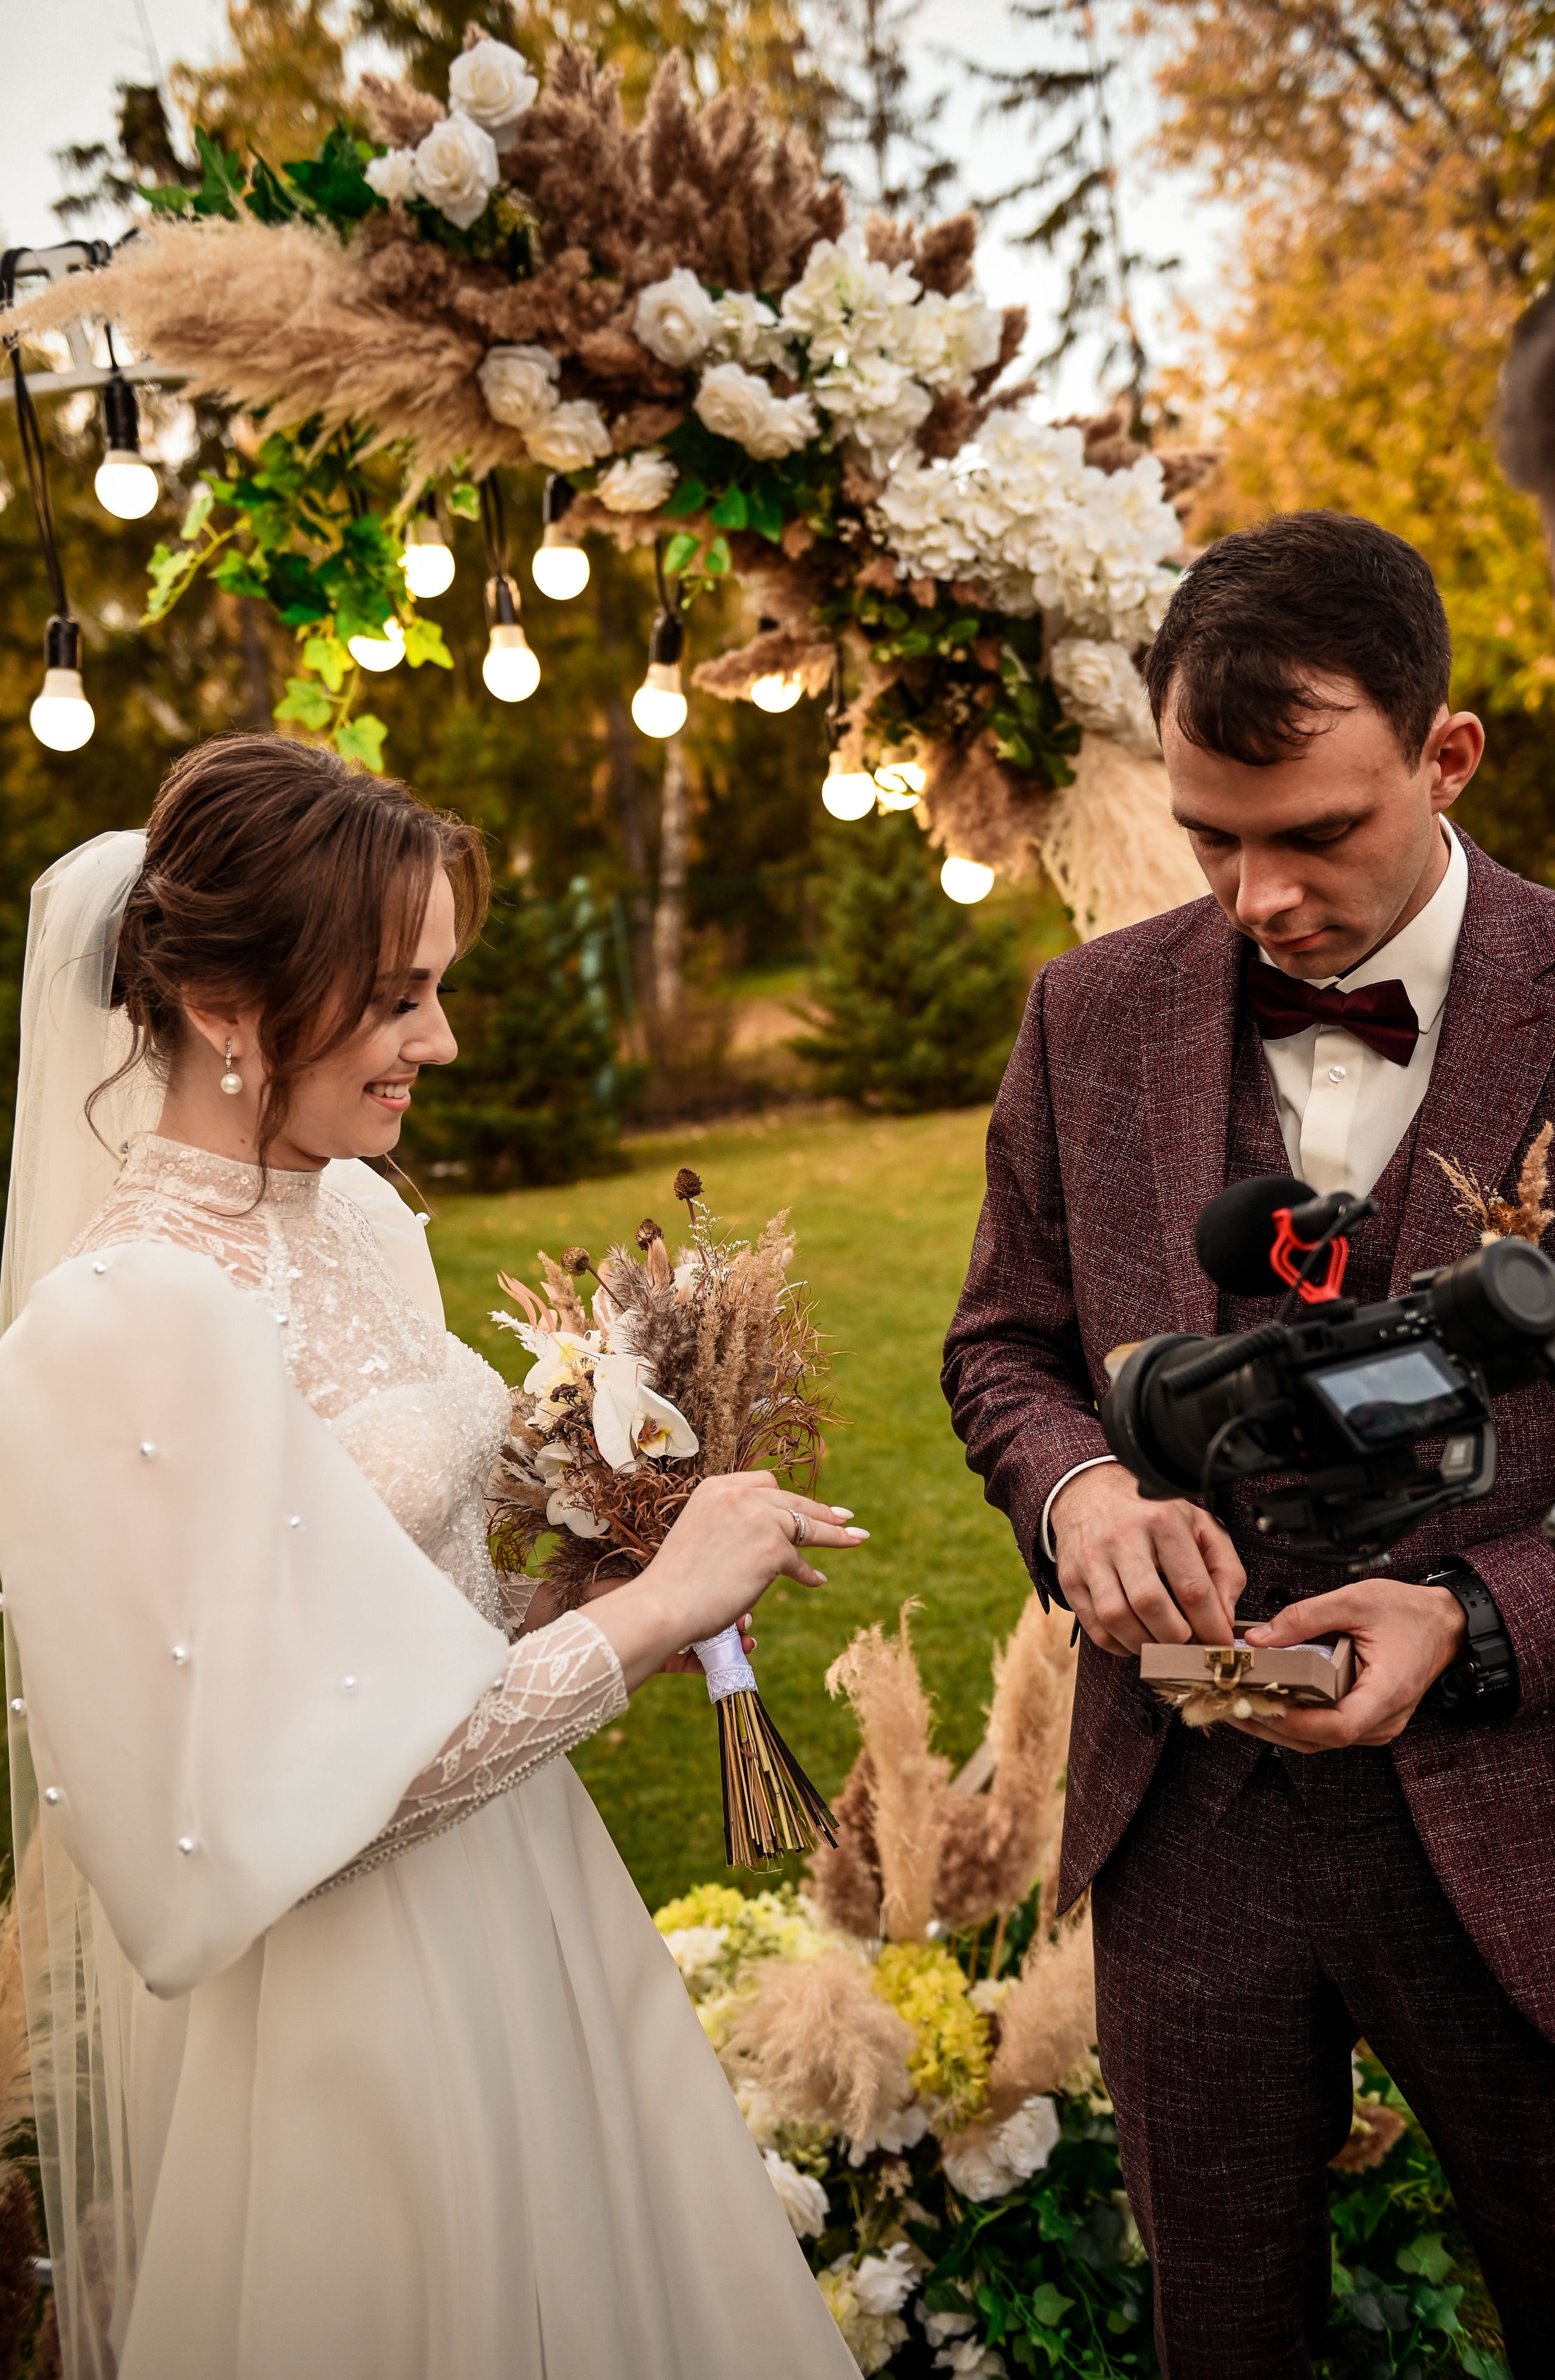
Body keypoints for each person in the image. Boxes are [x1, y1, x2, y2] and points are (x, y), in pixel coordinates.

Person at [0, 735, 866, 2380]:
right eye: (398, 997)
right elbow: (270, 1828)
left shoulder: (362, 1220)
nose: (441, 1041)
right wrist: (654, 1618)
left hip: (529, 1901)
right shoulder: (111, 1332)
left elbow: (433, 1636)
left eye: (437, 989)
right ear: (230, 1009)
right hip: (351, 2014)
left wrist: (602, 1583)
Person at [943, 512, 1555, 2378]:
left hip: (1519, 1817)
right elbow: (1005, 1348)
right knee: (1220, 2336)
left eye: (1315, 835)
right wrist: (1087, 1491)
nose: (1254, 896)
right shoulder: (1086, 1013)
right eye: (1212, 836)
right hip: (1184, 1825)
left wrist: (1479, 1612)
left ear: (1445, 757)